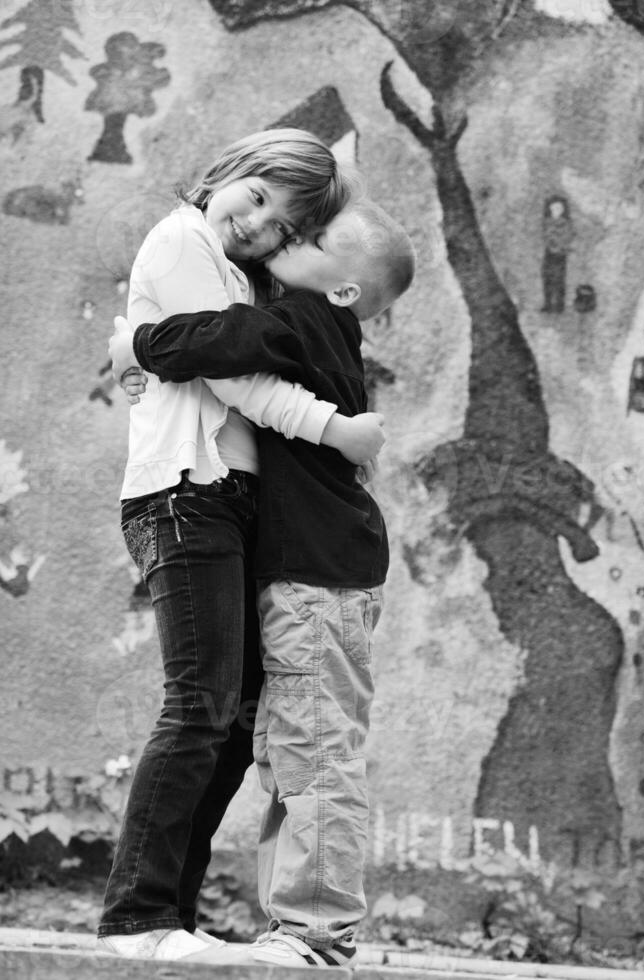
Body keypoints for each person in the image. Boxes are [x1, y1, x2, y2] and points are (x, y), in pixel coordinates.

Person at [97, 129, 386, 964]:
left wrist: (138, 355)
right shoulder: (184, 236)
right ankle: (138, 919)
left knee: (227, 720)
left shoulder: (253, 276)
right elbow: (228, 369)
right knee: (199, 706)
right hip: (184, 496)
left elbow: (219, 349)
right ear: (229, 169)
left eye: (284, 224)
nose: (259, 223)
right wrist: (337, 428)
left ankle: (168, 916)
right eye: (256, 196)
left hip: (228, 504)